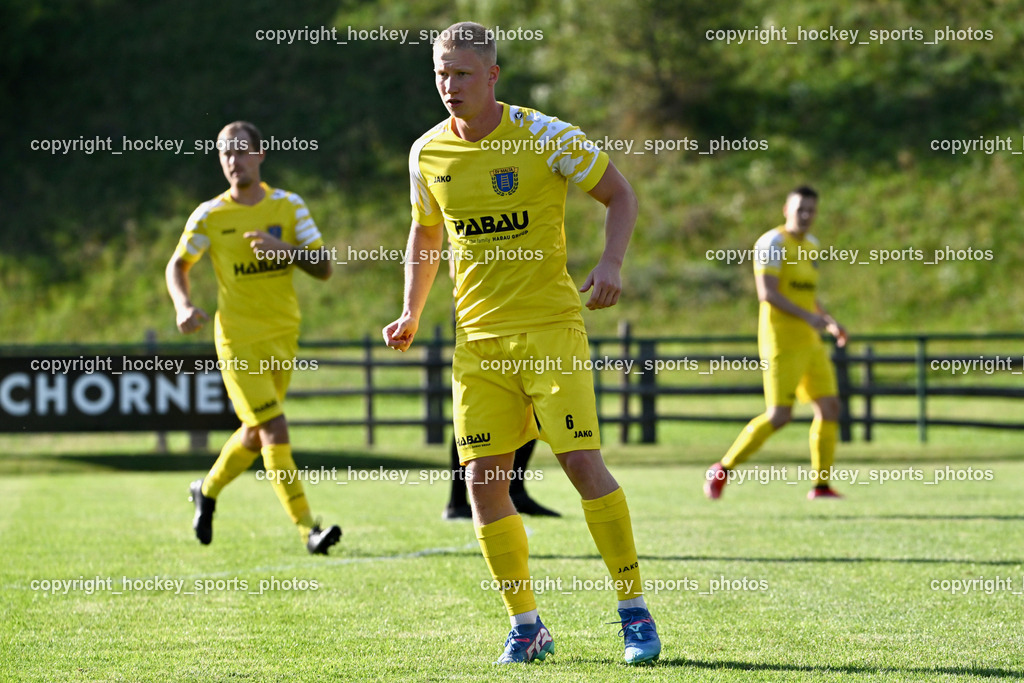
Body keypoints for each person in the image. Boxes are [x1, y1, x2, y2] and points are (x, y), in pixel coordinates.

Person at [383, 22, 660, 665]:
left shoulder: (545, 135)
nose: (449, 85)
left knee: (581, 464)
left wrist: (611, 262)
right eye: (440, 73)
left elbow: (620, 194)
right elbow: (426, 234)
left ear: (492, 76)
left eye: (461, 73)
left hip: (550, 331)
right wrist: (410, 311)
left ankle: (634, 611)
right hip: (477, 344)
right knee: (483, 483)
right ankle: (527, 625)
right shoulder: (426, 153)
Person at [165, 120, 342, 554]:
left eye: (241, 150)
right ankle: (308, 530)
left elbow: (323, 267)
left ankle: (206, 490)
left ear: (260, 154)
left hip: (283, 334)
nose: (233, 160)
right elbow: (178, 265)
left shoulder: (289, 206)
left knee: (254, 431)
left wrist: (287, 252)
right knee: (274, 427)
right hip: (237, 340)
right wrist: (183, 305)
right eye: (226, 152)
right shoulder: (210, 215)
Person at [704, 185, 848, 501]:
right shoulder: (772, 243)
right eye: (800, 210)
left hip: (810, 342)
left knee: (830, 407)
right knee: (779, 415)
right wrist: (808, 317)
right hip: (780, 342)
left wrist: (828, 320)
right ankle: (722, 469)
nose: (806, 215)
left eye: (811, 210)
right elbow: (767, 293)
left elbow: (808, 296)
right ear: (786, 210)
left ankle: (821, 486)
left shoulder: (811, 245)